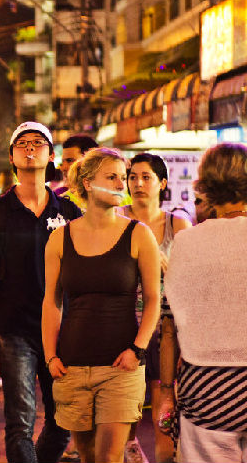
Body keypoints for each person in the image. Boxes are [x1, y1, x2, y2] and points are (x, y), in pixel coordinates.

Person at [42, 147, 161, 463]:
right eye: (113, 177)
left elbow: (152, 300)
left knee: (109, 457)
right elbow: (52, 302)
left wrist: (137, 349)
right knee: (88, 455)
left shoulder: (139, 234)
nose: (122, 185)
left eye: (123, 178)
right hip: (72, 365)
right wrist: (50, 355)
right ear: (88, 183)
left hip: (121, 365)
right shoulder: (59, 238)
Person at [0, 121, 80, 463]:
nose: (30, 149)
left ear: (51, 156)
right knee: (19, 423)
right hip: (14, 331)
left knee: (62, 423)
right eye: (22, 144)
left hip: (62, 333)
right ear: (12, 157)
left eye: (38, 143)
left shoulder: (70, 212)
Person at [163, 143, 247, 463]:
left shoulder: (188, 242)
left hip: (207, 392)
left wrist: (165, 391)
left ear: (206, 187)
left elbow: (170, 326)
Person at [120, 153, 191, 463]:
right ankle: (131, 447)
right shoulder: (117, 218)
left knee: (164, 394)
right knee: (128, 398)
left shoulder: (177, 222)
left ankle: (166, 454)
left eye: (146, 177)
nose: (137, 183)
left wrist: (165, 266)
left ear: (162, 183)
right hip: (125, 323)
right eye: (132, 177)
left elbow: (192, 276)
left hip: (167, 326)